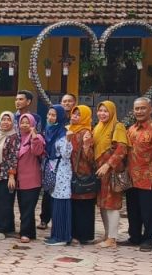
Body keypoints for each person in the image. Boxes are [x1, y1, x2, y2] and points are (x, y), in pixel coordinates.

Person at [124, 97, 152, 252]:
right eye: (136, 108)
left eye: (143, 108)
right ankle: (134, 237)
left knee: (148, 212)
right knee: (133, 210)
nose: (139, 111)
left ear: (151, 110)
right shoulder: (131, 129)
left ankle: (149, 240)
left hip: (149, 179)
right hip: (131, 178)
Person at [93, 101, 129, 248]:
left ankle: (112, 239)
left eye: (106, 111)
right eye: (100, 110)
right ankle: (107, 235)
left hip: (111, 170)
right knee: (103, 204)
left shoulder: (117, 126)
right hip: (100, 171)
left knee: (112, 204)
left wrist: (108, 165)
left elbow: (122, 149)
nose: (102, 114)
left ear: (112, 112)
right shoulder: (97, 127)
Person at [42, 106, 73, 246]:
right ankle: (55, 234)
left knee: (61, 204)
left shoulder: (63, 133)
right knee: (54, 203)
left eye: (53, 115)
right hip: (52, 170)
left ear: (60, 117)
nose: (50, 117)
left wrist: (68, 140)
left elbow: (66, 155)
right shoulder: (49, 130)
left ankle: (62, 236)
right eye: (49, 114)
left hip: (62, 172)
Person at [68, 105, 97, 245]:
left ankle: (83, 236)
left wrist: (85, 145)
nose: (75, 116)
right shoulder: (70, 130)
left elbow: (91, 158)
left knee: (83, 206)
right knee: (74, 205)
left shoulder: (86, 132)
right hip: (70, 173)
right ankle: (74, 234)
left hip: (83, 174)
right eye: (74, 114)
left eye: (79, 114)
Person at [15, 113, 46, 243]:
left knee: (28, 207)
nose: (24, 125)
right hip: (19, 179)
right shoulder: (17, 137)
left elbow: (37, 151)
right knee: (23, 207)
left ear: (33, 124)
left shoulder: (38, 137)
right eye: (22, 122)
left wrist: (33, 136)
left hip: (32, 178)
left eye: (27, 122)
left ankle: (25, 233)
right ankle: (31, 232)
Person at [0, 111, 19, 236]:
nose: (5, 122)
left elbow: (14, 157)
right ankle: (3, 228)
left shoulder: (14, 137)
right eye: (3, 119)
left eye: (8, 120)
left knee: (5, 202)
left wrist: (12, 175)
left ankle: (3, 229)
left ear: (13, 122)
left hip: (7, 174)